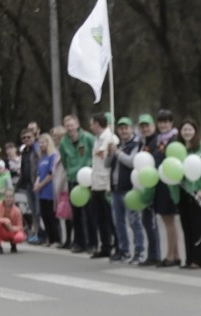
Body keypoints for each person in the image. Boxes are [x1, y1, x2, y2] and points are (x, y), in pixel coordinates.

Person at [58, 114, 96, 253]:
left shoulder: (87, 138)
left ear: (77, 125)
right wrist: (70, 172)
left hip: (87, 179)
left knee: (89, 213)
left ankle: (93, 243)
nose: (70, 128)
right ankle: (80, 243)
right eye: (67, 126)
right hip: (73, 180)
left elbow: (95, 154)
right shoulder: (63, 142)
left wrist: (90, 168)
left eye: (72, 125)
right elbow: (63, 159)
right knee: (77, 214)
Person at [176, 118, 201, 269]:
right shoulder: (179, 147)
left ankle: (199, 259)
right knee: (186, 225)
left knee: (197, 225)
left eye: (190, 129)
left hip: (197, 192)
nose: (187, 132)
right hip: (183, 190)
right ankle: (189, 258)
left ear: (195, 131)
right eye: (184, 129)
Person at [111, 117, 145, 263]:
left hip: (130, 189)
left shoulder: (135, 144)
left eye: (126, 128)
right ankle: (123, 250)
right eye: (121, 128)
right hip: (116, 188)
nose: (123, 131)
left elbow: (132, 162)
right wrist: (110, 152)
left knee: (134, 221)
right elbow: (108, 164)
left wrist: (118, 153)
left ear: (131, 129)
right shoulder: (117, 144)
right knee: (119, 222)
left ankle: (139, 251)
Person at [153, 109, 182, 267]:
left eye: (166, 121)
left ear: (171, 123)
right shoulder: (160, 140)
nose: (163, 124)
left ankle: (170, 255)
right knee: (166, 220)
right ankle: (175, 254)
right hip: (160, 183)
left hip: (169, 184)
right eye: (161, 121)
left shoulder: (174, 140)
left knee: (169, 220)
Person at [88, 112, 117, 259]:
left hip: (106, 184)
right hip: (96, 183)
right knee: (100, 218)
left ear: (98, 123)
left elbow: (109, 161)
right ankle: (105, 246)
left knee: (110, 218)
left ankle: (117, 245)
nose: (90, 126)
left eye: (92, 123)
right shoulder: (97, 139)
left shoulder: (110, 138)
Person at [136, 114, 162, 266]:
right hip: (143, 185)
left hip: (152, 185)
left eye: (147, 126)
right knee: (146, 221)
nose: (145, 129)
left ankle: (155, 255)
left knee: (151, 222)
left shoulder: (156, 142)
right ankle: (151, 254)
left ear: (153, 126)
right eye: (142, 126)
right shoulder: (142, 142)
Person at [33, 133, 62, 247]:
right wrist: (37, 184)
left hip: (50, 190)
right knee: (45, 216)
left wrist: (41, 185)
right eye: (39, 143)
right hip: (41, 192)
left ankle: (57, 239)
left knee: (52, 216)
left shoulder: (52, 155)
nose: (41, 145)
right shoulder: (42, 157)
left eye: (43, 142)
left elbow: (51, 174)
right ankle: (50, 239)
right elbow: (39, 173)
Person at [0, 189, 25, 254]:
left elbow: (20, 227)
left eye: (10, 197)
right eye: (6, 197)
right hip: (2, 231)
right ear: (4, 197)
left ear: (13, 198)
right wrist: (6, 220)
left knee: (20, 237)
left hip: (12, 231)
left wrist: (12, 228)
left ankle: (13, 244)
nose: (8, 199)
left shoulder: (17, 210)